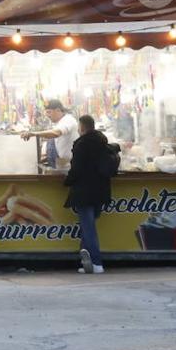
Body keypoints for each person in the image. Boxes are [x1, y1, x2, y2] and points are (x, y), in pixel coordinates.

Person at [65, 115, 112, 275]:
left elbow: (76, 169)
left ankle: (97, 263)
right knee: (88, 228)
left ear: (83, 127)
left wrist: (67, 181)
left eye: (79, 127)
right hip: (101, 190)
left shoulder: (81, 144)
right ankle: (87, 261)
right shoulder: (102, 141)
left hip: (84, 191)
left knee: (88, 228)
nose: (78, 129)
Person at [21, 99, 80, 171]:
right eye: (46, 112)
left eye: (49, 112)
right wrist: (43, 160)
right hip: (61, 166)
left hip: (69, 168)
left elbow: (55, 133)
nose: (47, 115)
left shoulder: (68, 120)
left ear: (58, 110)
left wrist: (33, 134)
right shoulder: (59, 123)